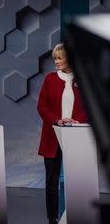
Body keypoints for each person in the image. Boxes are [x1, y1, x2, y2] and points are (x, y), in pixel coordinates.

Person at [37, 43, 88, 224]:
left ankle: (77, 215)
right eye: (55, 58)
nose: (56, 62)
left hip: (76, 136)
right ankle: (52, 218)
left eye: (60, 58)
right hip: (53, 136)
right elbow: (41, 106)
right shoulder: (50, 79)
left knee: (77, 179)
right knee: (52, 181)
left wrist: (77, 122)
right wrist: (58, 120)